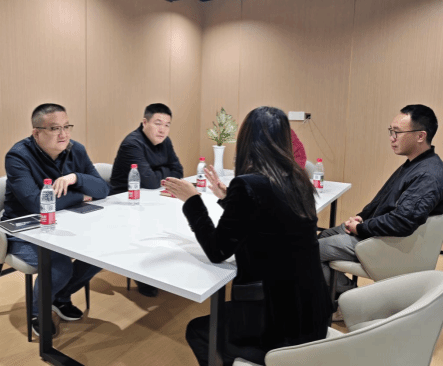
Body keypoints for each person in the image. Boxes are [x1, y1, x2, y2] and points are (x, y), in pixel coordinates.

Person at [163, 106, 331, 366]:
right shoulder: (299, 181)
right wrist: (228, 198)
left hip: (277, 326)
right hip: (313, 314)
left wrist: (192, 200)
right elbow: (269, 219)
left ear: (247, 141)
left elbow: (217, 250)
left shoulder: (249, 185)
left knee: (199, 331)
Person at [318, 104, 443, 314]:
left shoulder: (427, 174)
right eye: (391, 131)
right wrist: (361, 217)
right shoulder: (415, 163)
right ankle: (343, 298)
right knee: (324, 235)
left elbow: (402, 222)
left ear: (420, 136)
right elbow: (382, 201)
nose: (392, 138)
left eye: (397, 132)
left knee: (311, 250)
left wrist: (361, 228)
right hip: (376, 232)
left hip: (386, 242)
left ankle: (350, 303)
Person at [3, 103, 109, 337]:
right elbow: (36, 204)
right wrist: (80, 195)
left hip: (65, 224)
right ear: (36, 133)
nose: (63, 134)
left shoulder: (76, 150)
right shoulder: (18, 156)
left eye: (66, 126)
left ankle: (59, 296)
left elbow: (103, 189)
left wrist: (75, 178)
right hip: (24, 231)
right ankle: (38, 311)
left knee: (101, 253)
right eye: (54, 128)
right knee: (59, 266)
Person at [109, 103, 184, 297]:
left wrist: (157, 173)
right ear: (144, 122)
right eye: (158, 123)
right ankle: (142, 272)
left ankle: (157, 267)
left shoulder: (165, 141)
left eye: (167, 125)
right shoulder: (132, 143)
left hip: (151, 198)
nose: (162, 130)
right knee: (157, 221)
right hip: (125, 201)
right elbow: (149, 181)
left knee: (177, 215)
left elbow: (179, 171)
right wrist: (164, 171)